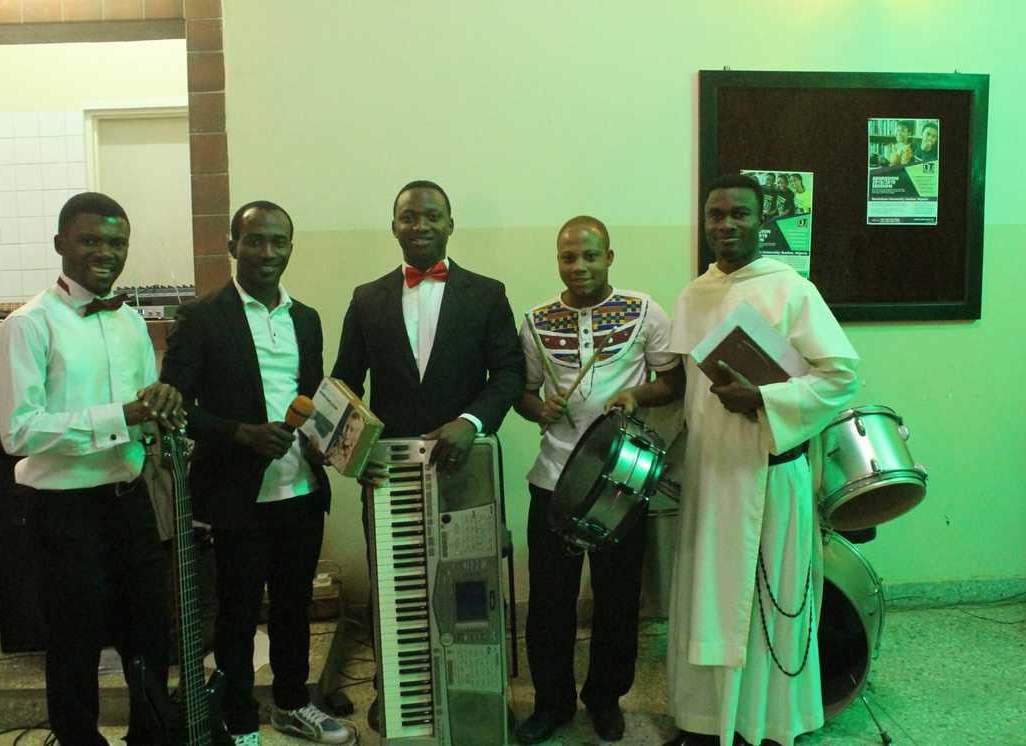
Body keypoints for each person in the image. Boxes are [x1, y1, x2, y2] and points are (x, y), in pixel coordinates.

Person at [611, 175, 859, 746]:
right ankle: (702, 721)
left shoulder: (790, 289)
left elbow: (841, 377)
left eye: (739, 214)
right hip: (709, 475)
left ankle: (765, 725)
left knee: (764, 605)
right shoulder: (693, 294)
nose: (726, 225)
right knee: (703, 600)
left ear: (760, 219)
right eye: (716, 215)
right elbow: (680, 389)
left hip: (767, 474)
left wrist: (766, 400)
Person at [331, 179, 525, 733]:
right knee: (394, 581)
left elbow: (508, 372)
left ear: (450, 224)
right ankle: (395, 688)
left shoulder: (487, 293)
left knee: (469, 586)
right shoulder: (366, 298)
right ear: (394, 226)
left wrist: (471, 422)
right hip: (388, 471)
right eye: (409, 217)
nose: (420, 226)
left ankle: (478, 691)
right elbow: (345, 383)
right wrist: (352, 454)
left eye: (431, 217)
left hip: (464, 466)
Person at [0, 192, 184, 745]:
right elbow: (19, 432)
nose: (106, 252)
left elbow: (143, 409)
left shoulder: (130, 322)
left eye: (116, 242)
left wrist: (159, 411)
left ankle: (150, 735)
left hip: (131, 500)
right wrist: (119, 416)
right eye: (91, 240)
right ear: (60, 245)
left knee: (149, 635)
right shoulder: (26, 327)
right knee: (75, 645)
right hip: (64, 510)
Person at [160, 201, 349, 745]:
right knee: (238, 616)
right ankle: (240, 718)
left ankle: (292, 703)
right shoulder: (201, 317)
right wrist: (243, 433)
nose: (267, 252)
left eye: (278, 242)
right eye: (255, 241)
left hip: (302, 490)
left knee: (294, 608)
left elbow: (312, 396)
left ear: (292, 246)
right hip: (236, 495)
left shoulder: (306, 318)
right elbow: (177, 407)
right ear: (232, 245)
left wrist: (331, 441)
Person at [513, 216, 681, 744]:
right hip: (553, 479)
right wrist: (540, 408)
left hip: (621, 481)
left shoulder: (644, 310)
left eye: (590, 255)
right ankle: (552, 703)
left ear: (610, 256)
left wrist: (635, 396)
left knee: (616, 598)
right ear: (557, 261)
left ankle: (605, 698)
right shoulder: (536, 321)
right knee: (549, 603)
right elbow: (521, 393)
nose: (579, 266)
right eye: (568, 257)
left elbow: (672, 381)